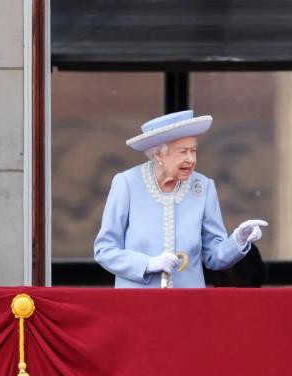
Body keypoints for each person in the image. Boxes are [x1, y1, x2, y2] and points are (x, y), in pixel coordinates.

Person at [95, 110, 268, 288]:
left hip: (188, 304)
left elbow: (214, 257)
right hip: (137, 303)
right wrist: (148, 264)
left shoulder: (204, 187)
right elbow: (105, 250)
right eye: (183, 152)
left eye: (193, 151)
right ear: (158, 155)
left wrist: (238, 240)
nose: (191, 159)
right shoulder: (127, 184)